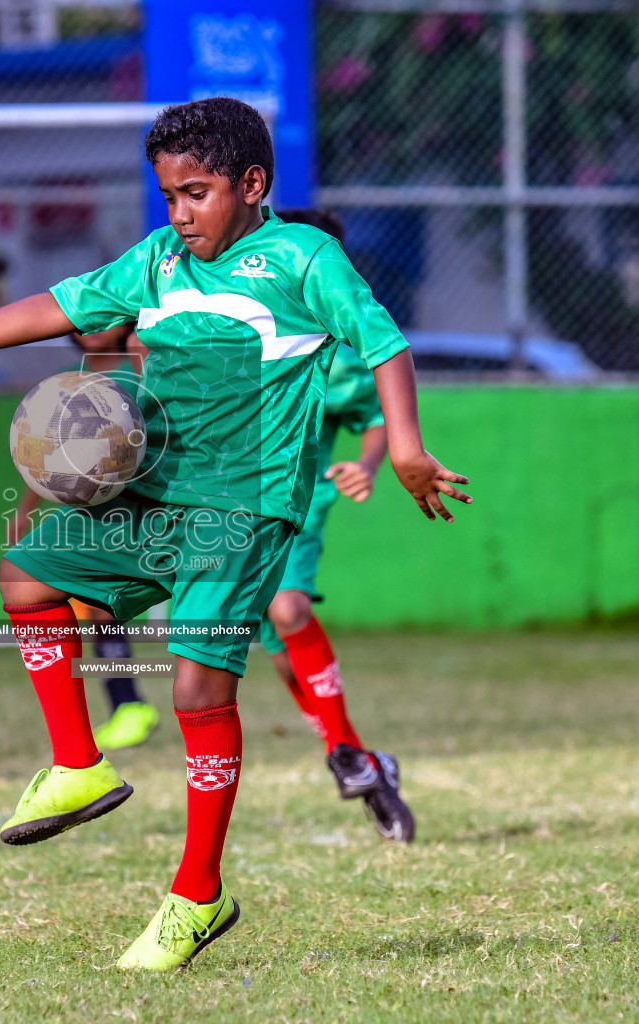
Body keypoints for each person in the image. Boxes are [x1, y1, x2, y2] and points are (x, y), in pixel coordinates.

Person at [0, 98, 469, 970]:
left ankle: (197, 895)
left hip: (247, 509)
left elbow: (385, 344)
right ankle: (78, 762)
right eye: (169, 196)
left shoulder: (303, 257)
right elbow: (61, 304)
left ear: (252, 185)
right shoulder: (157, 261)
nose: (180, 213)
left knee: (193, 693)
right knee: (25, 573)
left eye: (198, 192)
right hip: (156, 494)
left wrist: (402, 448)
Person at [256, 205, 414, 843]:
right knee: (283, 658)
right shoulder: (247, 329)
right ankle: (364, 761)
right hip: (232, 507)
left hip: (298, 501)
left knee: (289, 610)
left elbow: (375, 415)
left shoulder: (342, 354)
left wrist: (369, 464)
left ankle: (349, 756)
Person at [11, 325, 160, 751]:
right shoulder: (66, 381)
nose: (92, 329)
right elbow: (41, 453)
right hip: (83, 512)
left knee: (101, 609)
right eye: (83, 321)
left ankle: (130, 706)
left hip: (134, 510)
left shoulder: (138, 373)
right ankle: (125, 705)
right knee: (89, 611)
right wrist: (25, 512)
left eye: (103, 319)